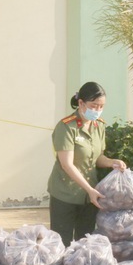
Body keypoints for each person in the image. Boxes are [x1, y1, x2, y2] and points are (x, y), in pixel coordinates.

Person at [47, 81, 126, 246]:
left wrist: (113, 162)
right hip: (65, 193)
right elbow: (67, 164)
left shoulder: (99, 126)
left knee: (86, 243)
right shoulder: (66, 127)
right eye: (94, 105)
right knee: (62, 244)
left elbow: (98, 157)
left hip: (90, 197)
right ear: (81, 103)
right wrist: (89, 190)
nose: (97, 110)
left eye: (101, 106)